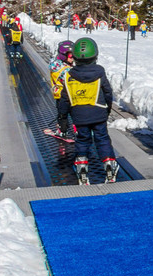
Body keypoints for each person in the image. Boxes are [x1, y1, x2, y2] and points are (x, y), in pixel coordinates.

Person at [63, 37, 120, 185]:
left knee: (82, 140)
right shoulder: (100, 72)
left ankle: (82, 165)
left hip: (79, 115)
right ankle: (109, 164)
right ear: (95, 56)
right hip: (98, 112)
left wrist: (62, 117)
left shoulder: (69, 75)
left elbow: (65, 98)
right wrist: (107, 108)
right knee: (102, 138)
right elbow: (107, 92)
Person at [50, 41, 75, 162]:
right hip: (61, 95)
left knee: (73, 112)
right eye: (71, 56)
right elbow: (68, 77)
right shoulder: (60, 68)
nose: (73, 58)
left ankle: (74, 127)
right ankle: (62, 130)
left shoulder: (65, 66)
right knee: (62, 113)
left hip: (69, 94)